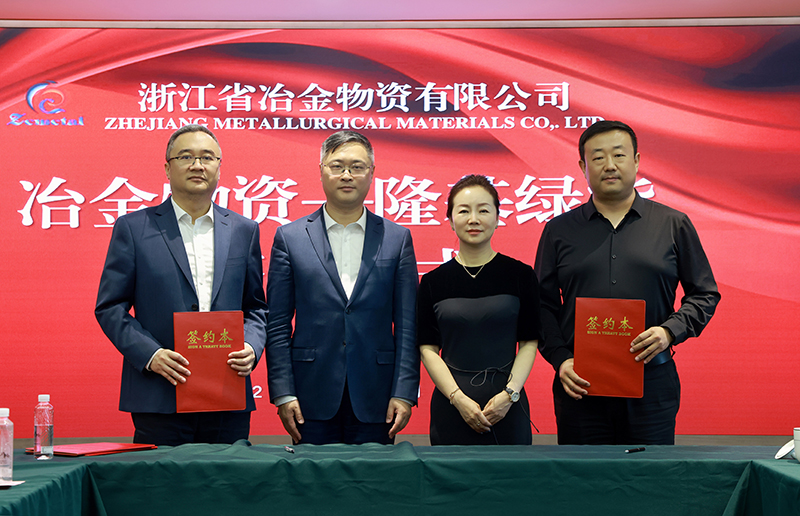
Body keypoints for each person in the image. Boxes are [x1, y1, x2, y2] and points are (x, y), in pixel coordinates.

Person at [535, 120, 720, 445]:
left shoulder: (672, 224)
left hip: (652, 382)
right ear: (583, 167)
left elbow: (704, 294)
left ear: (636, 161)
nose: (609, 165)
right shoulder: (558, 230)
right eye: (598, 158)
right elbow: (541, 305)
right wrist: (560, 359)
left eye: (619, 155)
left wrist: (669, 331)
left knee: (649, 474)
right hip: (580, 385)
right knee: (582, 474)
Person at [95, 125, 268, 446]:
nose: (197, 165)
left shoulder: (244, 230)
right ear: (167, 167)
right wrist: (150, 354)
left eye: (207, 157)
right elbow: (110, 307)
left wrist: (252, 345)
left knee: (229, 476)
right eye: (186, 157)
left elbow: (256, 307)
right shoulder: (134, 228)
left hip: (226, 390)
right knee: (163, 478)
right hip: (160, 392)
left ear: (219, 167)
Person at [265, 130, 419, 445]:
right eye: (337, 166)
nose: (347, 175)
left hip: (377, 396)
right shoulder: (290, 238)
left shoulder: (397, 238)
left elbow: (407, 324)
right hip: (309, 395)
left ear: (372, 173)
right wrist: (283, 392)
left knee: (374, 475)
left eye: (357, 167)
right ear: (322, 171)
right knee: (313, 475)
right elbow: (277, 323)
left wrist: (404, 392)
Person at [418, 175, 541, 445]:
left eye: (483, 210)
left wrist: (510, 394)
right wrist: (457, 399)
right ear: (450, 220)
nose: (474, 219)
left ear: (497, 217)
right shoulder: (432, 282)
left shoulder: (520, 275)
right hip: (451, 406)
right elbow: (427, 349)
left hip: (508, 405)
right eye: (464, 211)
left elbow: (529, 342)